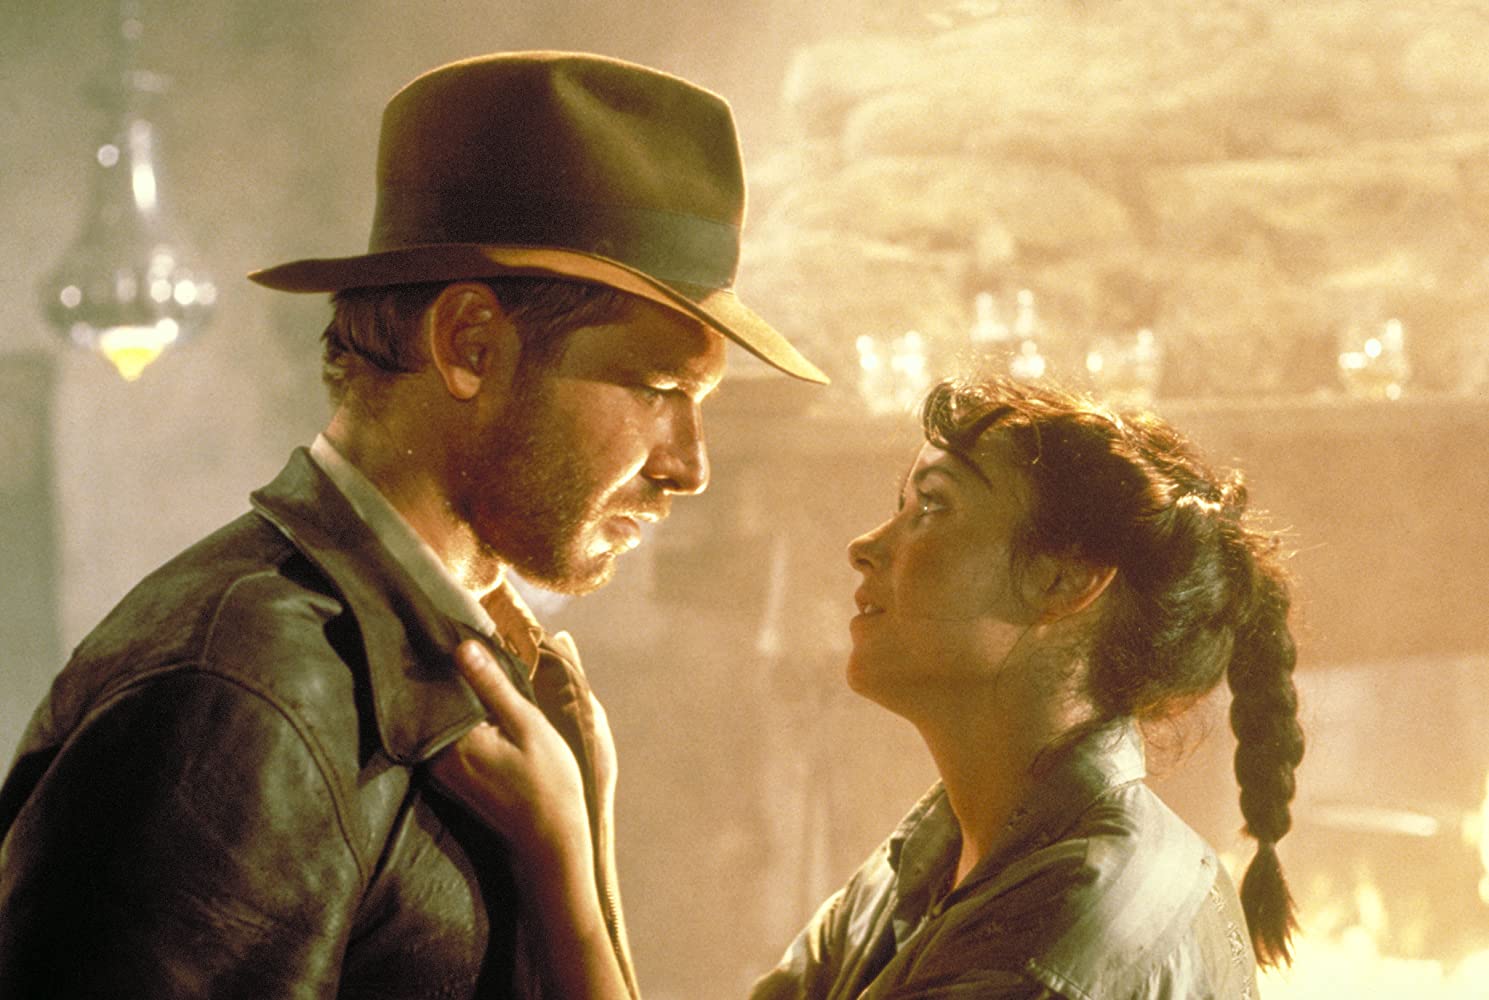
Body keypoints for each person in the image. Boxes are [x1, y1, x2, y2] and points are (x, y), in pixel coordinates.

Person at [0, 51, 825, 998]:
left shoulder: (462, 659)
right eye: (657, 388)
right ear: (469, 345)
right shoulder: (238, 691)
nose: (689, 466)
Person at [436, 374, 1306, 998]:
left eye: (933, 508)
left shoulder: (1051, 944)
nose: (867, 545)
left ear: (1061, 581)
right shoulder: (940, 853)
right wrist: (583, 804)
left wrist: (560, 852)